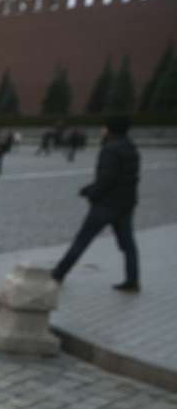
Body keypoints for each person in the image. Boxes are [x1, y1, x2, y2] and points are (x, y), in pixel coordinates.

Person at [51, 116, 141, 292]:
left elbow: (106, 179)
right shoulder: (132, 148)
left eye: (104, 127)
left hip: (106, 204)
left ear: (110, 129)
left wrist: (90, 192)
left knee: (82, 240)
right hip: (126, 203)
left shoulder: (110, 149)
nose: (102, 130)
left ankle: (59, 273)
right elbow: (125, 177)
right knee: (128, 244)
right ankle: (133, 280)